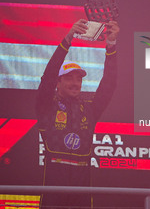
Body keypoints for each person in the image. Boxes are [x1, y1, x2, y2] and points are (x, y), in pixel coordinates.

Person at [36, 19, 119, 208]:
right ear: (58, 83)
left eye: (78, 79)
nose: (75, 83)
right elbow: (48, 76)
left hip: (81, 185)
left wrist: (111, 45)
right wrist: (67, 40)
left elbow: (109, 85)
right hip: (54, 184)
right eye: (69, 79)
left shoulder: (89, 108)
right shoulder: (46, 106)